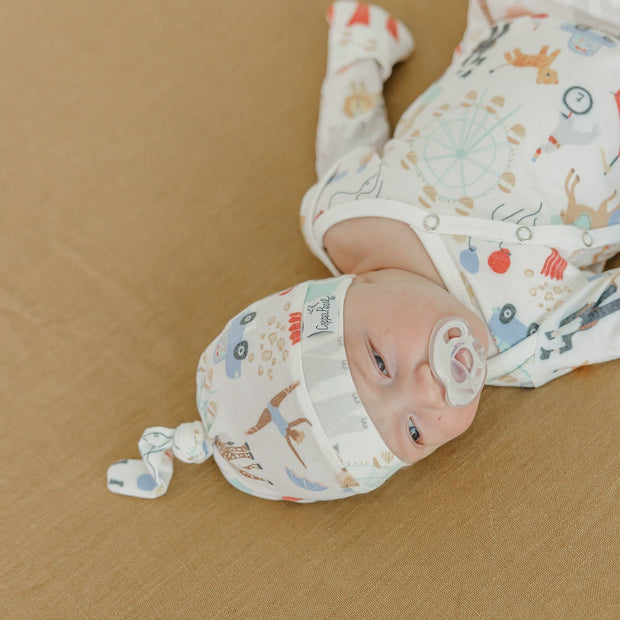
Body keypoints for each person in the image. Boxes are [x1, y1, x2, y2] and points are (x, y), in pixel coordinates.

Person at [107, 0, 620, 502]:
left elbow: (348, 128)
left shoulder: (341, 216)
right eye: (414, 433)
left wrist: (359, 46)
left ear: (333, 294)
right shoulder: (523, 348)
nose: (428, 390)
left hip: (529, 21)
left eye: (379, 363)